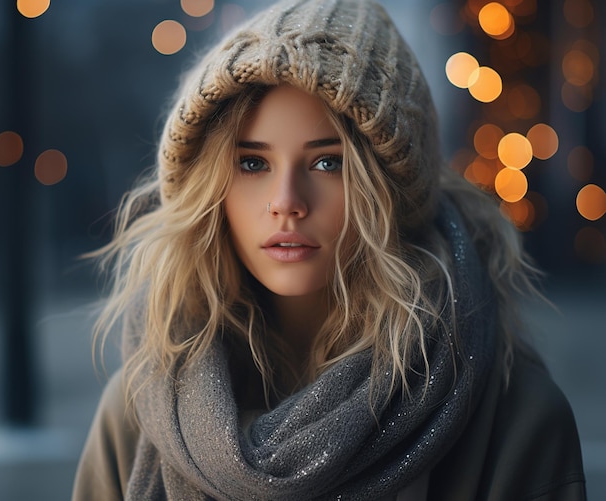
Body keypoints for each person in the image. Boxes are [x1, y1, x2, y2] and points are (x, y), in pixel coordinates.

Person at [72, 0, 586, 499]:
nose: (286, 204)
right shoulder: (140, 412)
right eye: (252, 164)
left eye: (327, 163)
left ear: (391, 191)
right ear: (209, 190)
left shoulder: (514, 422)